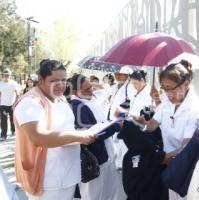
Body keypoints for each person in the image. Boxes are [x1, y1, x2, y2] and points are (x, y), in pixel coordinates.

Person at [13, 59, 96, 199]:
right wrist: (77, 137)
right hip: (47, 181)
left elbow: (64, 127)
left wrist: (81, 133)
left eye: (64, 80)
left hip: (68, 176)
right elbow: (38, 138)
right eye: (54, 80)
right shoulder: (30, 102)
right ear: (40, 79)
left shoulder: (60, 98)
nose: (61, 85)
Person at [136, 60, 199, 199]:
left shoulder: (195, 110)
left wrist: (156, 160)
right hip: (169, 165)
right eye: (164, 88)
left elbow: (185, 149)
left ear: (186, 84)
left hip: (186, 169)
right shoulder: (166, 102)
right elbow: (152, 126)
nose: (168, 93)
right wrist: (136, 123)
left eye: (171, 88)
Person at [70, 74, 123, 200]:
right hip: (94, 160)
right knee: (95, 195)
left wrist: (113, 122)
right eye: (86, 89)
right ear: (74, 92)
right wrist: (116, 125)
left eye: (90, 87)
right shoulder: (78, 107)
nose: (91, 91)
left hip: (104, 156)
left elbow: (101, 124)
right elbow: (93, 134)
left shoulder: (89, 100)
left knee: (108, 192)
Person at [0, 68, 19, 140]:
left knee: (12, 119)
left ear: (10, 75)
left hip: (12, 104)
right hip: (3, 105)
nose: (6, 76)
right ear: (3, 75)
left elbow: (17, 94)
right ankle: (3, 135)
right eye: (5, 75)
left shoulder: (13, 83)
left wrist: (15, 104)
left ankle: (13, 131)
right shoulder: (1, 84)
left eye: (8, 75)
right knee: (3, 120)